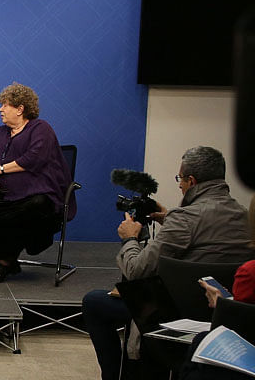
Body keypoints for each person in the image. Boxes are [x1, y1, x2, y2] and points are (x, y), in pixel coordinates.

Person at [82, 146, 255, 380]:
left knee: (94, 302)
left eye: (180, 179)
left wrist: (130, 238)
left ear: (191, 181)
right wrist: (168, 220)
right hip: (222, 314)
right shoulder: (245, 216)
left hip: (175, 313)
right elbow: (205, 239)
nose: (180, 185)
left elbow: (136, 270)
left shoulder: (184, 219)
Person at [0, 82, 73, 283]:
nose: (0, 109)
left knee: (34, 204)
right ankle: (9, 258)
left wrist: (0, 169)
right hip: (7, 194)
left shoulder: (41, 128)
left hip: (40, 193)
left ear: (20, 109)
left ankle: (5, 261)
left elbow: (33, 159)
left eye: (5, 105)